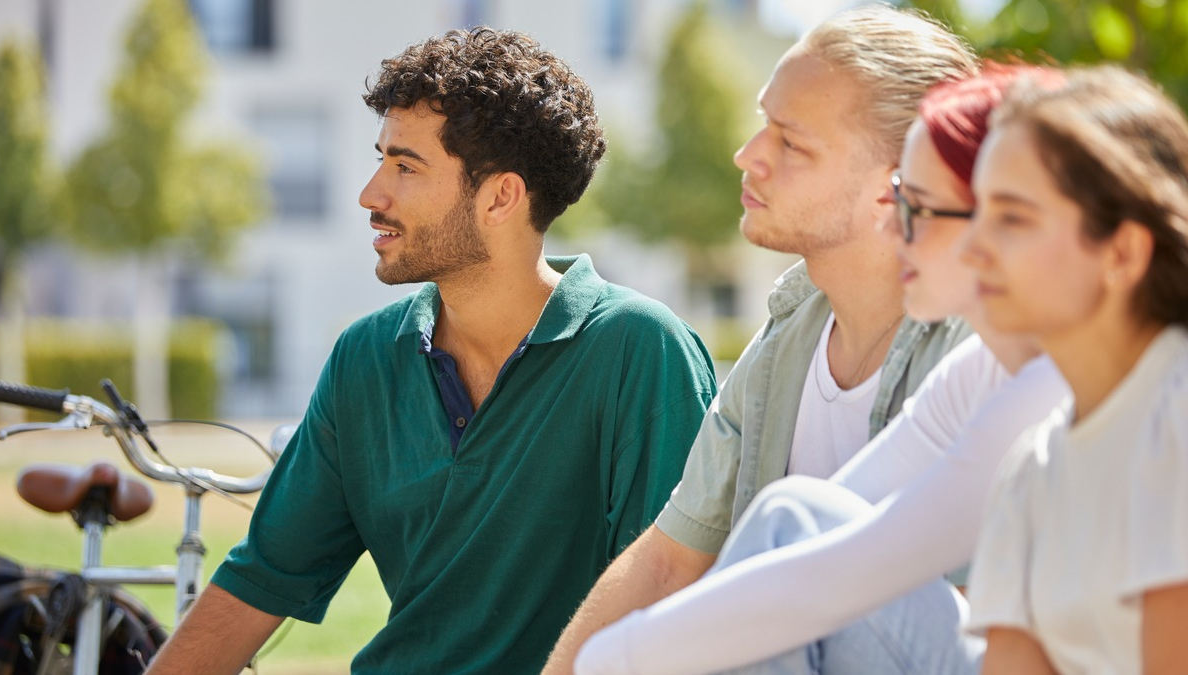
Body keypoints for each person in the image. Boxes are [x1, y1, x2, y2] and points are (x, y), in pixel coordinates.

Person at [144, 28, 717, 675]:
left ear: (500, 196)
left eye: (405, 166)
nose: (371, 194)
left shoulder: (639, 351)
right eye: (381, 158)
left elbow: (673, 605)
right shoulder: (365, 357)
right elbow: (261, 577)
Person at [573, 64, 1072, 675]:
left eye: (914, 206)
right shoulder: (982, 372)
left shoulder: (1113, 393)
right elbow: (822, 545)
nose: (891, 226)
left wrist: (610, 662)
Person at [964, 66, 1188, 674]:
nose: (971, 247)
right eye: (976, 211)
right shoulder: (1029, 472)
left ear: (1123, 252)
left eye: (1011, 217)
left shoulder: (1177, 417)